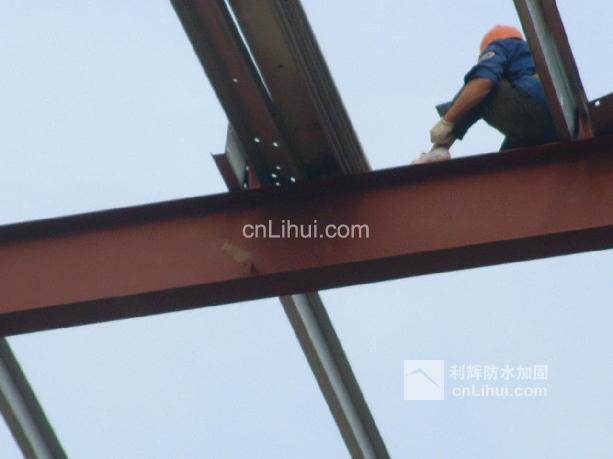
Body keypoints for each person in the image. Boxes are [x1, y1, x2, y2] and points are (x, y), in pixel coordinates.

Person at [413, 25, 558, 164]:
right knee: (508, 161)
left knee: (477, 88)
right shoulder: (536, 56)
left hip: (530, 103)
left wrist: (448, 120)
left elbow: (484, 80)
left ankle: (439, 149)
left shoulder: (501, 45)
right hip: (555, 124)